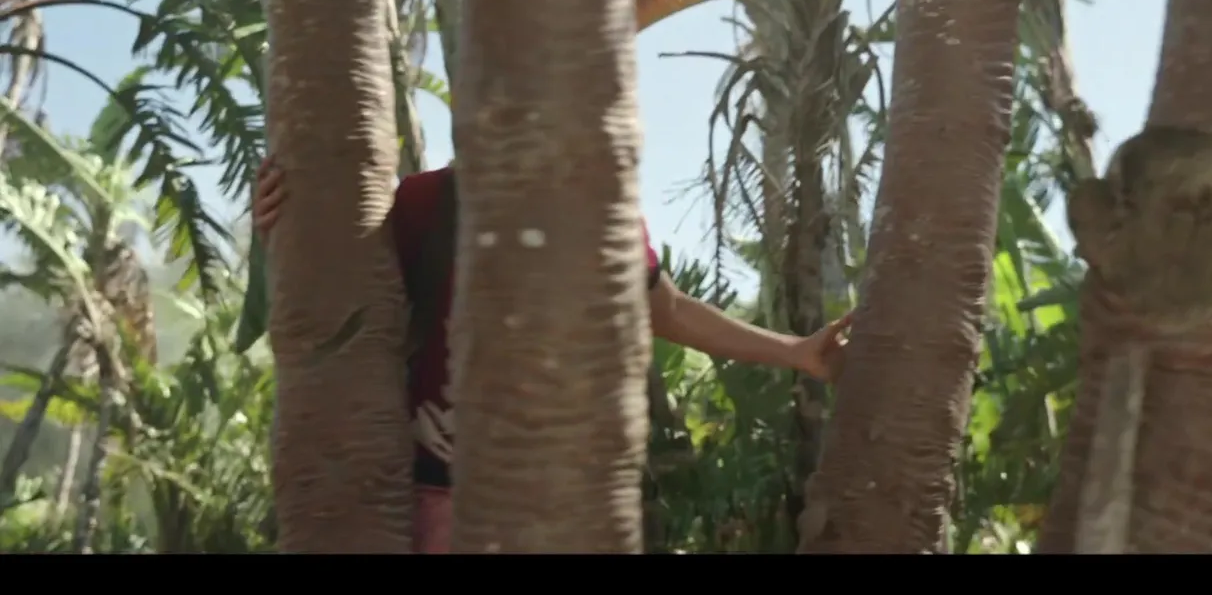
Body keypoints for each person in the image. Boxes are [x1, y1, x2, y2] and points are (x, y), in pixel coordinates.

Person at [253, 157, 853, 553]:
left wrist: (798, 352)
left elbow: (665, 309)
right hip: (434, 503)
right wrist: (283, 230)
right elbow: (344, 303)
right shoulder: (428, 203)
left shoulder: (600, 214)